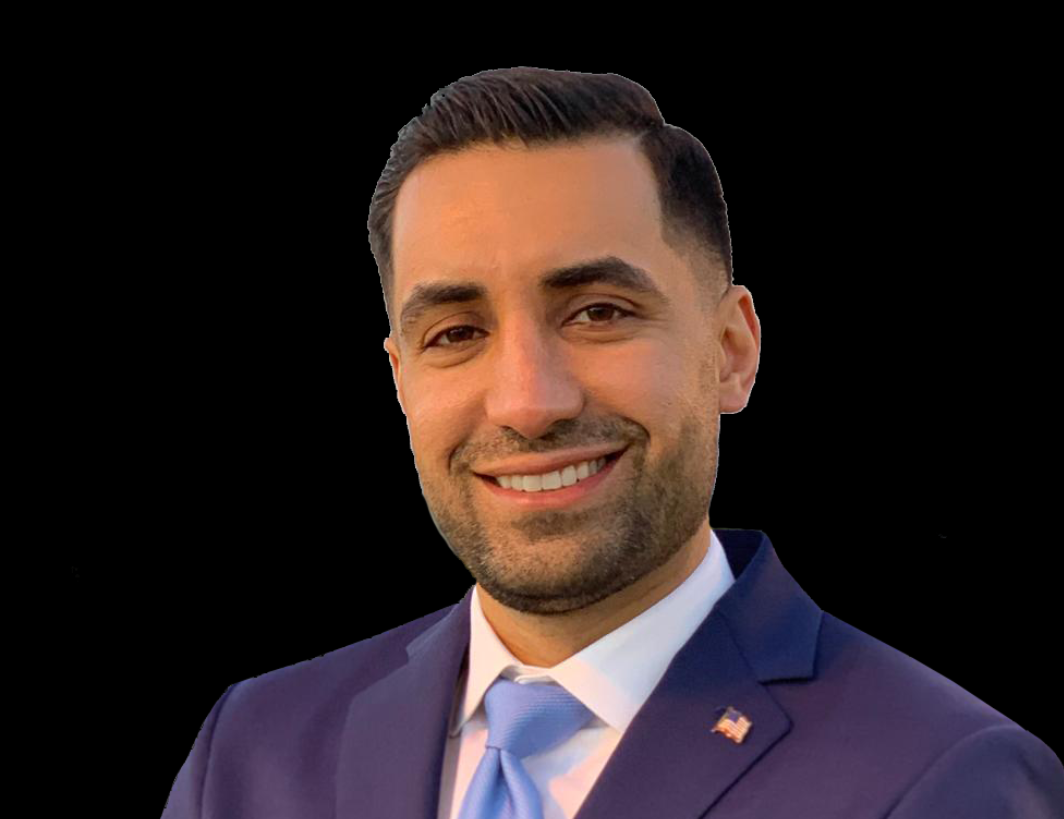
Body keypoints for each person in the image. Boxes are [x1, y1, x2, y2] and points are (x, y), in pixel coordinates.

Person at [161, 68, 1064, 818]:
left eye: (598, 312)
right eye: (456, 333)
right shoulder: (253, 749)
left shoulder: (940, 776)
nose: (528, 403)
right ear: (401, 379)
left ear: (731, 351)